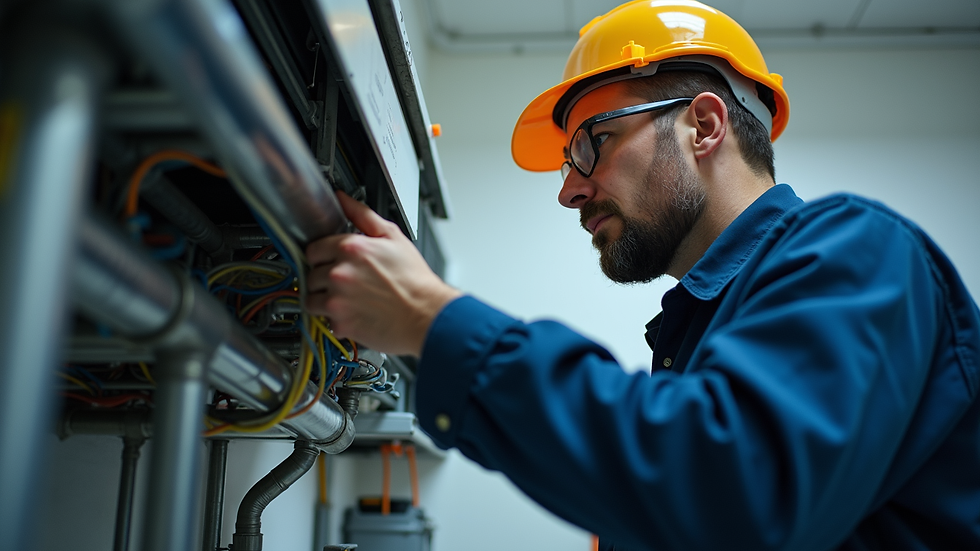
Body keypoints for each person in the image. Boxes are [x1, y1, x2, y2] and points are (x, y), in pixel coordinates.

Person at [305, 1, 980, 549]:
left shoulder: (856, 253)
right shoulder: (699, 328)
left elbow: (733, 495)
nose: (568, 190)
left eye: (588, 144)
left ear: (705, 125)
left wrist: (433, 320)